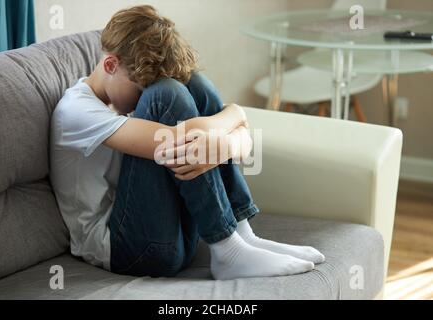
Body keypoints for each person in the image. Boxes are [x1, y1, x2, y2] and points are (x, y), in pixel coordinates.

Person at [50, 5, 324, 281]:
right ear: (110, 65)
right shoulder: (75, 111)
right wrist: (234, 128)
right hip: (129, 250)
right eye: (139, 88)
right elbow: (181, 141)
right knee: (165, 94)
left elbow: (221, 140)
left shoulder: (121, 97)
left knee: (194, 84)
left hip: (176, 235)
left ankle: (241, 235)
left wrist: (234, 119)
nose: (139, 99)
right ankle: (228, 250)